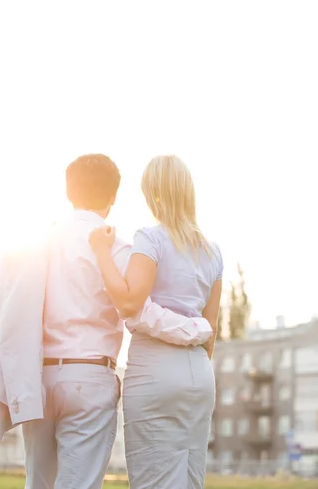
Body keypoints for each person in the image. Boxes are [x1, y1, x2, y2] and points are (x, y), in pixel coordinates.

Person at [0, 153, 212, 489]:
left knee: (38, 483)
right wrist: (198, 329)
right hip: (90, 377)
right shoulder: (117, 248)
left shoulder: (35, 244)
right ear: (113, 197)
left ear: (68, 192)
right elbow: (138, 311)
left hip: (37, 377)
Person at [90, 154, 223, 489]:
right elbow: (212, 330)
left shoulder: (150, 239)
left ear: (153, 193)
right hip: (200, 376)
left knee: (153, 480)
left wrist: (102, 252)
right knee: (190, 480)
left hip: (156, 371)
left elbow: (130, 301)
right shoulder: (213, 251)